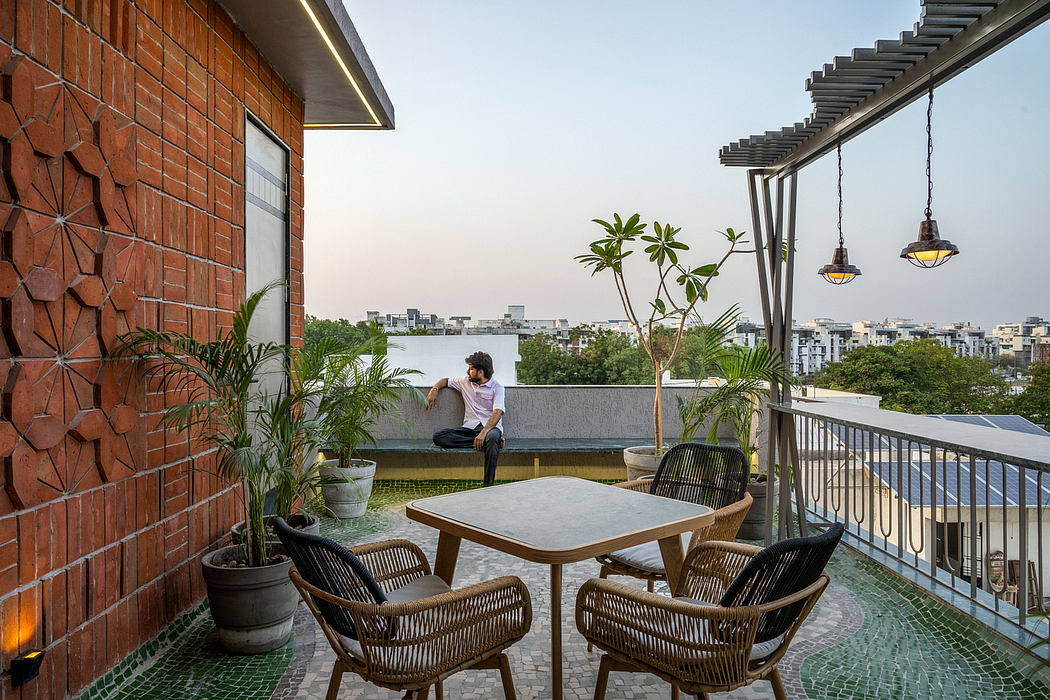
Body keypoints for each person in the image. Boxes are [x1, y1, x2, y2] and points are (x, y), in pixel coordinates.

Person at [427, 351, 505, 487]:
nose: (467, 371)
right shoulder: (464, 381)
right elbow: (445, 381)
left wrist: (484, 433)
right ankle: (489, 443)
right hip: (469, 429)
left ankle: (488, 486)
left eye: (471, 369)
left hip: (490, 428)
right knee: (439, 437)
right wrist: (434, 389)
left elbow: (497, 412)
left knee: (492, 437)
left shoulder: (497, 388)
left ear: (480, 372)